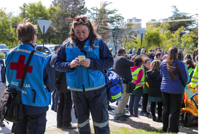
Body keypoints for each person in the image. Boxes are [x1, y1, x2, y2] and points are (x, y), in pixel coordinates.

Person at [54, 16, 113, 134]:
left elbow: (109, 62)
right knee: (82, 125)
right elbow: (57, 64)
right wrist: (69, 65)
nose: (80, 35)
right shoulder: (66, 44)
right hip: (76, 91)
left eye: (84, 32)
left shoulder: (99, 42)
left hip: (97, 91)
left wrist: (91, 63)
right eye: (77, 32)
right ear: (73, 31)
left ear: (89, 30)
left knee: (101, 124)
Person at [5, 19, 55, 134]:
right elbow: (51, 86)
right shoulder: (42, 58)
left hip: (15, 102)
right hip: (36, 103)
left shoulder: (10, 54)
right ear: (33, 37)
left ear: (19, 36)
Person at [160, 47, 187, 133]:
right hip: (176, 89)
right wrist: (182, 85)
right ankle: (172, 130)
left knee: (166, 109)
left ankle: (165, 128)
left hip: (165, 88)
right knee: (174, 110)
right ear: (176, 54)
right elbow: (184, 78)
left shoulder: (163, 63)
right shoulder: (180, 64)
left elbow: (162, 75)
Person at [50, 45, 76, 129]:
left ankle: (60, 123)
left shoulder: (58, 58)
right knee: (67, 104)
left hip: (60, 84)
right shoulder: (64, 58)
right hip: (66, 84)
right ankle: (66, 123)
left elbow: (56, 73)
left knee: (60, 103)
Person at [113, 47, 134, 121]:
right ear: (123, 53)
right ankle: (118, 115)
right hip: (124, 82)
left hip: (118, 81)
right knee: (124, 99)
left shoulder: (115, 58)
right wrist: (129, 57)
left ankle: (122, 113)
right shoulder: (123, 58)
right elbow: (132, 63)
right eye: (125, 53)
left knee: (121, 98)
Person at [0, 58, 6, 127]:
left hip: (1, 84)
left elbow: (3, 72)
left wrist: (4, 83)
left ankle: (1, 120)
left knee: (1, 103)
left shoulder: (1, 61)